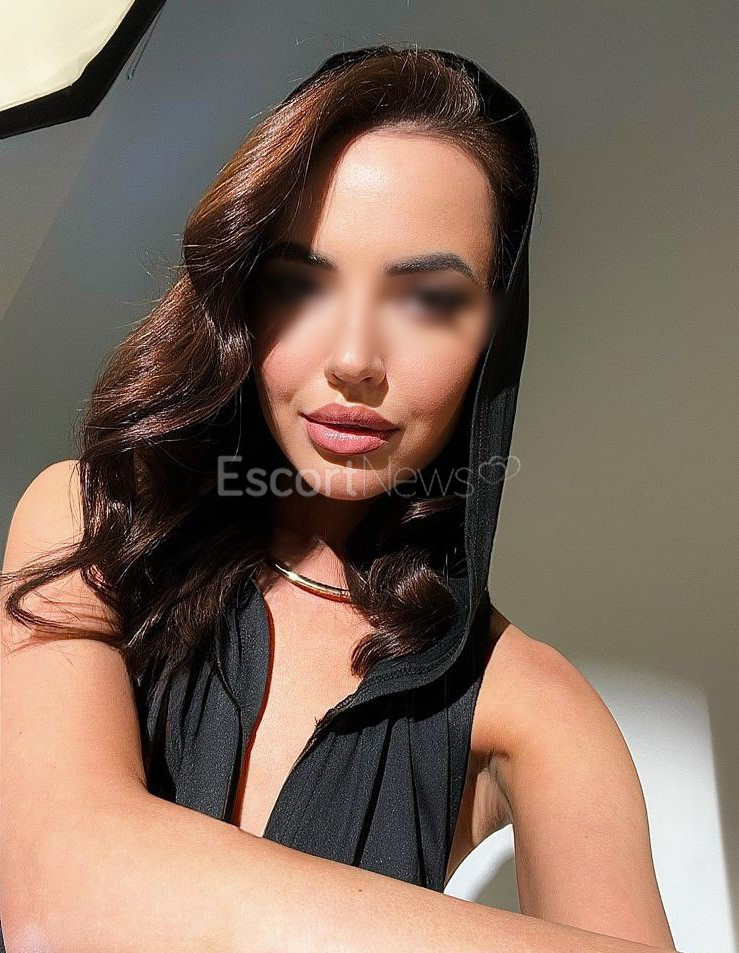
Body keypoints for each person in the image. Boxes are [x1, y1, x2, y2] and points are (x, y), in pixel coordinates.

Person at [0, 45, 680, 953]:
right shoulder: (92, 525)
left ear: (493, 333)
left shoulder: (529, 704)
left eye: (427, 298)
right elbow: (61, 895)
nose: (354, 357)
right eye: (301, 283)